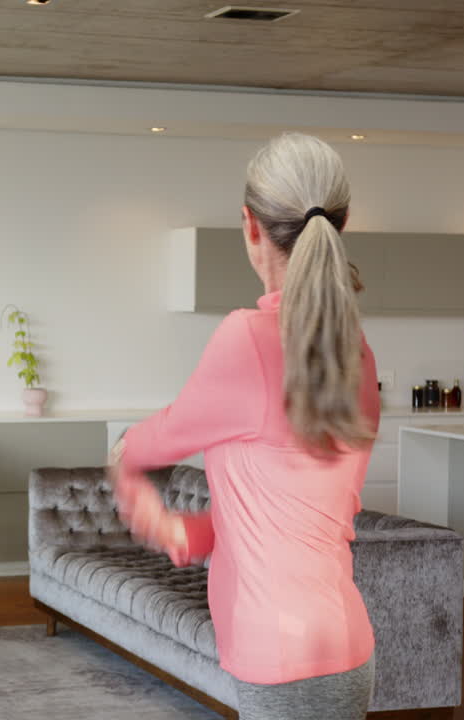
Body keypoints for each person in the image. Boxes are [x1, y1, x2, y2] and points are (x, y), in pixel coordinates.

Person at [111, 132, 380, 720]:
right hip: (347, 645)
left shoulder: (246, 340)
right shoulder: (356, 353)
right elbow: (310, 515)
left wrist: (127, 468)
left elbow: (148, 443)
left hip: (278, 650)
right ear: (344, 222)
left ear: (250, 227)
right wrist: (196, 532)